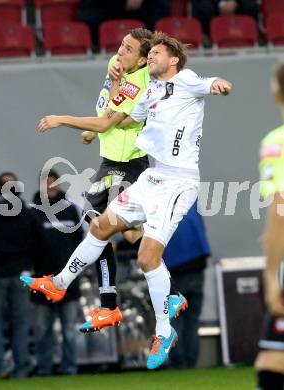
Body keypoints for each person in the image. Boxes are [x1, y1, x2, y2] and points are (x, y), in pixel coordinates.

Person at [21, 32, 232, 369]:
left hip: (178, 181)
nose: (151, 58)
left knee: (148, 256)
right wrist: (100, 119)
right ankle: (60, 282)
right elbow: (120, 120)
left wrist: (221, 84)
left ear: (173, 60)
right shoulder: (148, 90)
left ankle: (163, 330)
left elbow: (213, 82)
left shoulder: (187, 80)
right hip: (152, 177)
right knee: (101, 226)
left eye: (157, 54)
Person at [34, 28, 187, 334]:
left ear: (143, 60)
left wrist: (61, 119)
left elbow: (109, 120)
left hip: (126, 165)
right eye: (121, 46)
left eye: (129, 50)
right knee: (126, 235)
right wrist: (95, 131)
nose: (120, 52)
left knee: (96, 224)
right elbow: (107, 113)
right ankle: (162, 295)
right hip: (111, 162)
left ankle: (107, 303)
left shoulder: (140, 82)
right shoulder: (117, 67)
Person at [0, 172, 44, 378]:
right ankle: (21, 368)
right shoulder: (28, 214)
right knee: (20, 322)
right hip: (21, 273)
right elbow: (39, 243)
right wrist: (33, 267)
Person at [30, 170, 84, 376]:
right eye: (46, 184)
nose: (50, 187)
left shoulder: (72, 210)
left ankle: (70, 369)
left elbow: (81, 243)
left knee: (69, 331)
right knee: (43, 330)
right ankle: (44, 370)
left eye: (53, 183)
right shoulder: (32, 211)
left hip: (68, 282)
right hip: (42, 281)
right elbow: (28, 245)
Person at [254, 63, 284, 390]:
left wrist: (271, 275)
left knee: (271, 364)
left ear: (274, 92)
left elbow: (281, 209)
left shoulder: (277, 142)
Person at [163, 200, 211, 369]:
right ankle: (191, 364)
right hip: (197, 265)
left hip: (175, 270)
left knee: (174, 320)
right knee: (192, 321)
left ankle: (178, 364)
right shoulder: (191, 202)